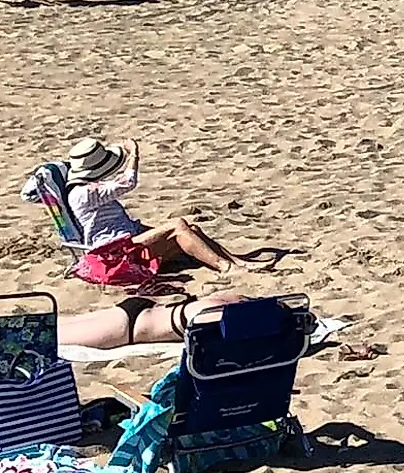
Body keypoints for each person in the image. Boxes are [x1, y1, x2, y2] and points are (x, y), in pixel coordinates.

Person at [51, 137, 270, 346]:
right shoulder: (83, 193)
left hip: (126, 242)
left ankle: (236, 261)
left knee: (191, 229)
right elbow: (127, 182)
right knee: (178, 225)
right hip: (115, 253)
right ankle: (225, 267)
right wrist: (134, 155)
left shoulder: (86, 189)